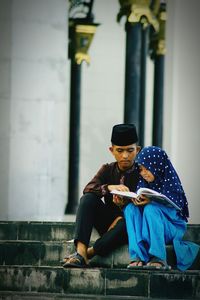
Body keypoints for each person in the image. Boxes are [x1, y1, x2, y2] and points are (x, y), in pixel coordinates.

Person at [62, 123, 141, 268]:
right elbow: (88, 189)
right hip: (108, 223)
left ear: (137, 150)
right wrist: (109, 188)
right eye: (120, 150)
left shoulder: (143, 172)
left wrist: (126, 205)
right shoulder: (107, 169)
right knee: (87, 199)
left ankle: (89, 253)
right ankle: (80, 252)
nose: (125, 155)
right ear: (112, 150)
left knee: (127, 222)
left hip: (129, 226)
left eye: (130, 150)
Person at [117, 146, 200, 271]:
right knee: (130, 209)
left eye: (147, 169)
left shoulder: (171, 183)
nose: (143, 173)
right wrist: (135, 201)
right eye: (141, 169)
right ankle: (137, 256)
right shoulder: (144, 183)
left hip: (170, 227)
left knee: (151, 209)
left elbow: (176, 213)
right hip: (148, 225)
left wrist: (152, 202)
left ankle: (158, 257)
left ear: (157, 166)